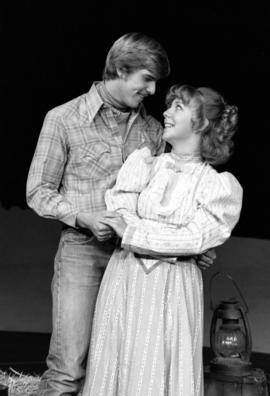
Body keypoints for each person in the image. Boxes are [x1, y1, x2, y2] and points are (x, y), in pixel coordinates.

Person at [26, 33, 215, 395]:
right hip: (82, 253)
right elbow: (38, 191)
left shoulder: (154, 130)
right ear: (120, 69)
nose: (153, 89)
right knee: (68, 368)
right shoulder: (63, 119)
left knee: (121, 366)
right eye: (146, 78)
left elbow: (167, 199)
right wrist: (84, 217)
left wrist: (192, 244)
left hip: (136, 260)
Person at [81, 84, 243, 396]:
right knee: (112, 362)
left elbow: (195, 237)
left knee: (159, 365)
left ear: (202, 122)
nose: (166, 113)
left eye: (178, 108)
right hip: (125, 276)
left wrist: (138, 234)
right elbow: (120, 212)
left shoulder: (216, 185)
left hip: (173, 286)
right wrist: (173, 245)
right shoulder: (144, 164)